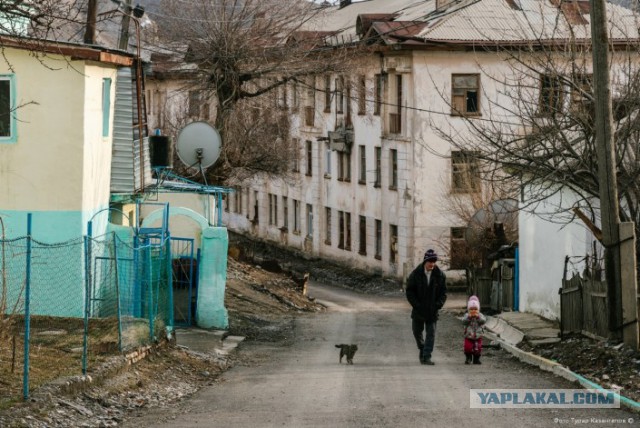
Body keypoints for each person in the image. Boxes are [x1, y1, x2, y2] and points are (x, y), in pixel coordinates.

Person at [405, 249, 447, 365]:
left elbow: (444, 293)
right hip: (419, 309)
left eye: (434, 261)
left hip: (432, 310)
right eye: (430, 261)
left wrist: (438, 305)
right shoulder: (416, 274)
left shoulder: (440, 275)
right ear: (425, 261)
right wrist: (416, 305)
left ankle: (427, 356)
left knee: (431, 333)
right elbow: (409, 291)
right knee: (416, 331)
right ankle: (422, 347)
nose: (432, 264)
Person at [462, 295, 486, 365]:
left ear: (478, 309)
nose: (473, 311)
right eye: (471, 309)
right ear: (468, 310)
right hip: (469, 335)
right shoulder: (467, 315)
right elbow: (463, 321)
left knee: (478, 348)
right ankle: (468, 358)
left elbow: (483, 321)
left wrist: (478, 317)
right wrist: (469, 318)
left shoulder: (480, 315)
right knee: (468, 348)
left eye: (475, 309)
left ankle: (476, 359)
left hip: (477, 335)